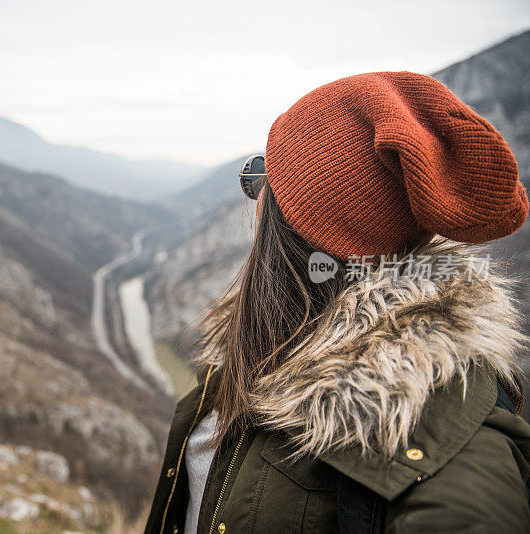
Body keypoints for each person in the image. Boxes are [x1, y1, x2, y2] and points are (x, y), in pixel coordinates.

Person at [144, 71, 530, 534]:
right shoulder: (265, 341)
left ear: (294, 230)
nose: (256, 195)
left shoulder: (448, 431)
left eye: (265, 177)